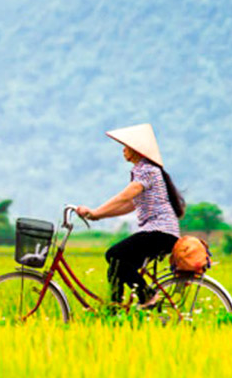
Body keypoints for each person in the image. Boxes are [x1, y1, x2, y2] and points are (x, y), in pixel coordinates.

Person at [75, 123, 185, 308]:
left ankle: (147, 296)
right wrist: (98, 216)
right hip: (159, 233)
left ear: (137, 150)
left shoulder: (147, 170)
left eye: (126, 147)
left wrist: (95, 211)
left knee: (114, 254)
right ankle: (115, 309)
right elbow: (129, 205)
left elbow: (125, 196)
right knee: (116, 267)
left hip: (159, 233)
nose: (123, 150)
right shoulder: (144, 171)